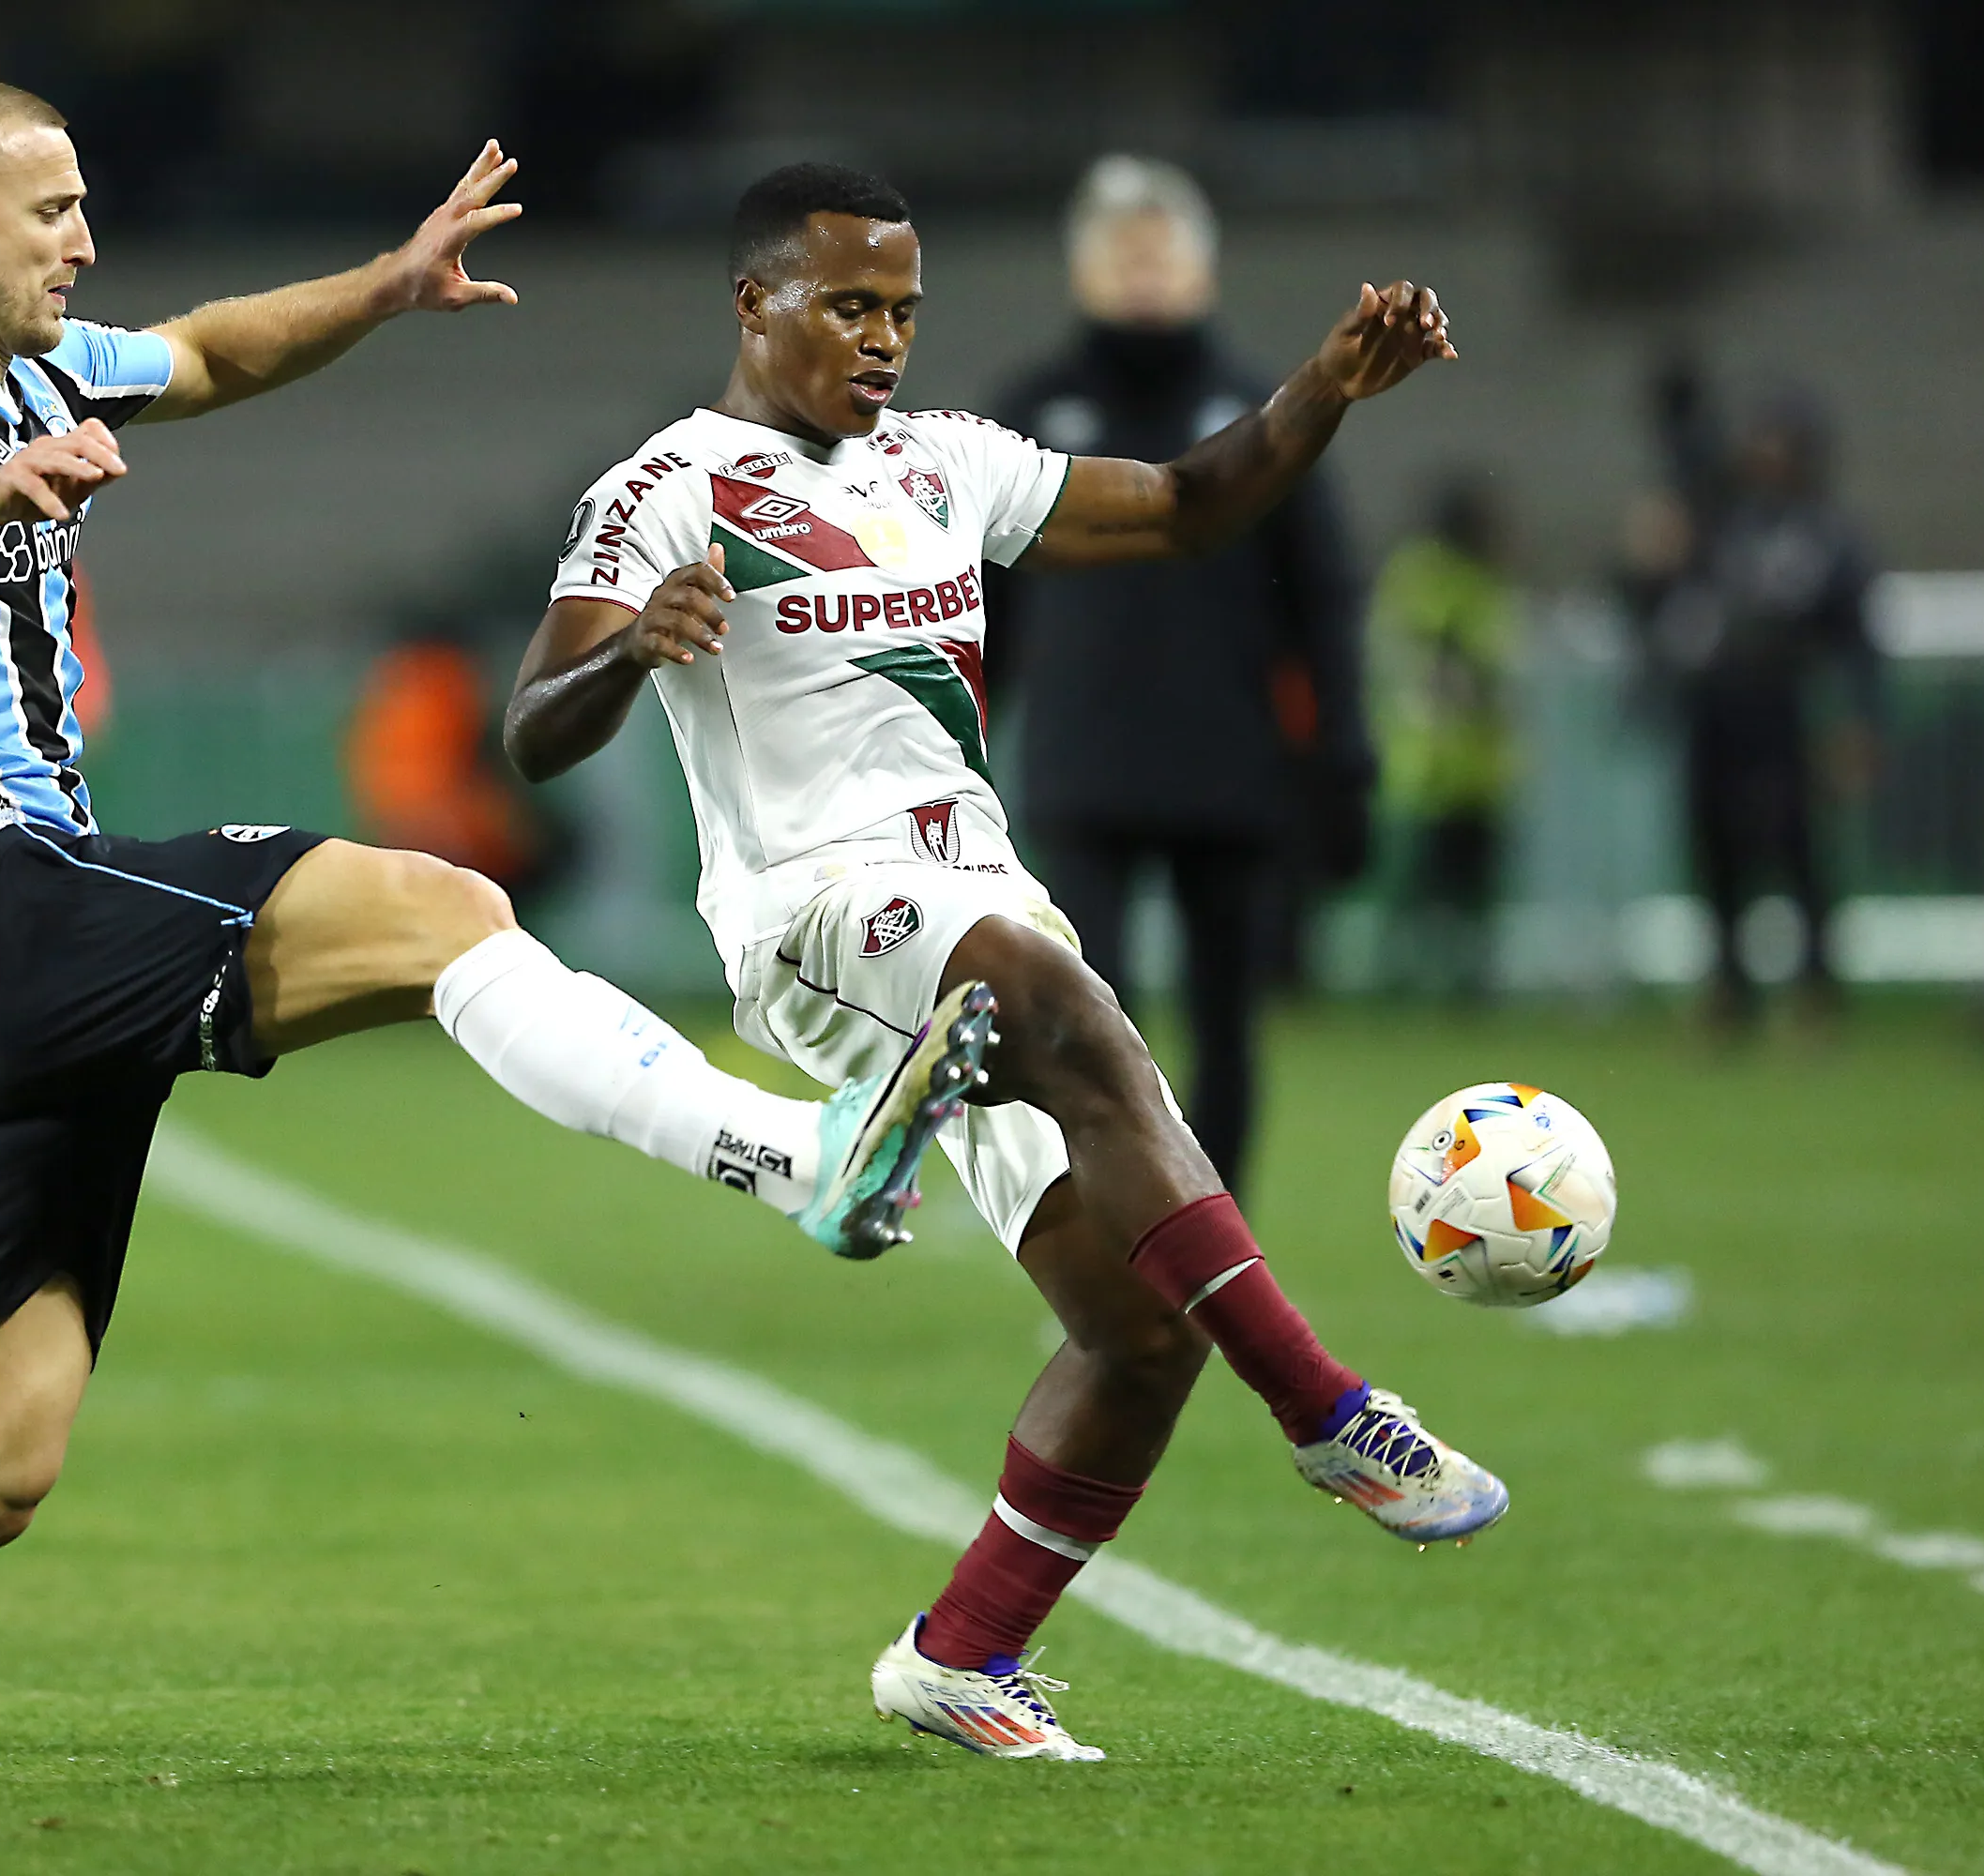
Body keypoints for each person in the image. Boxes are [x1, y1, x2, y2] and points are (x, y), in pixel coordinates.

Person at [0, 81, 989, 1805]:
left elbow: (210, 354)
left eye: (83, 205)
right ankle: (802, 1158)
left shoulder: (47, 366)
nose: (84, 238)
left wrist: (383, 285)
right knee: (438, 909)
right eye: (50, 209)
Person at [507, 162, 1495, 1763]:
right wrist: (632, 644)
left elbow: (1188, 503)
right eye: (849, 306)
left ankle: (967, 1654)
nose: (884, 339)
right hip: (816, 918)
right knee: (1055, 1002)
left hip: (980, 902)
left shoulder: (946, 463)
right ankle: (1329, 1411)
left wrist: (1325, 387)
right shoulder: (671, 486)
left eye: (902, 310)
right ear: (754, 303)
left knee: (1138, 1328)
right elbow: (532, 730)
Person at [988, 156, 1372, 1190]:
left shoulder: (1267, 410)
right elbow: (978, 611)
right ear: (1082, 270)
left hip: (1230, 768)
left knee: (1227, 1029)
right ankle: (1123, 1257)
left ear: (1202, 270)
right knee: (1086, 1031)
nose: (1142, 272)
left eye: (1160, 250)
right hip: (1083, 768)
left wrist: (1342, 756)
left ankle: (1219, 1255)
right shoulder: (1030, 411)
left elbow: (1322, 596)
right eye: (1122, 251)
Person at [1626, 389, 1880, 1027]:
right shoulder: (1724, 520)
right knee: (1716, 852)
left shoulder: (1827, 534)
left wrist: (1857, 720)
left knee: (1797, 855)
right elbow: (1660, 598)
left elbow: (1855, 638)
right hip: (1717, 706)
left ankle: (1816, 991)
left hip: (1784, 706)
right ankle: (1728, 990)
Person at [1368, 473, 1519, 999]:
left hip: (1456, 770)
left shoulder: (1435, 577)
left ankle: (1450, 986)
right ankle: (1412, 985)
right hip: (1434, 770)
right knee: (1423, 896)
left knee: (1457, 897)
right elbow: (1456, 665)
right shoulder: (1439, 579)